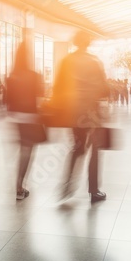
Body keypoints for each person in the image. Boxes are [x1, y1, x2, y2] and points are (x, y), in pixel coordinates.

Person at [54, 31, 109, 203]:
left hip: (74, 111)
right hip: (92, 112)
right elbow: (104, 88)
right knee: (95, 149)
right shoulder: (95, 61)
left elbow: (58, 87)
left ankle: (67, 184)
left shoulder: (67, 61)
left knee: (77, 148)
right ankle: (94, 190)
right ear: (88, 42)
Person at [6, 41, 44, 200]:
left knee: (23, 150)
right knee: (27, 151)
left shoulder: (11, 77)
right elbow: (40, 99)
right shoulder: (34, 76)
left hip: (17, 118)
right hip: (31, 118)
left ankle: (19, 185)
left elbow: (8, 101)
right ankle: (19, 186)